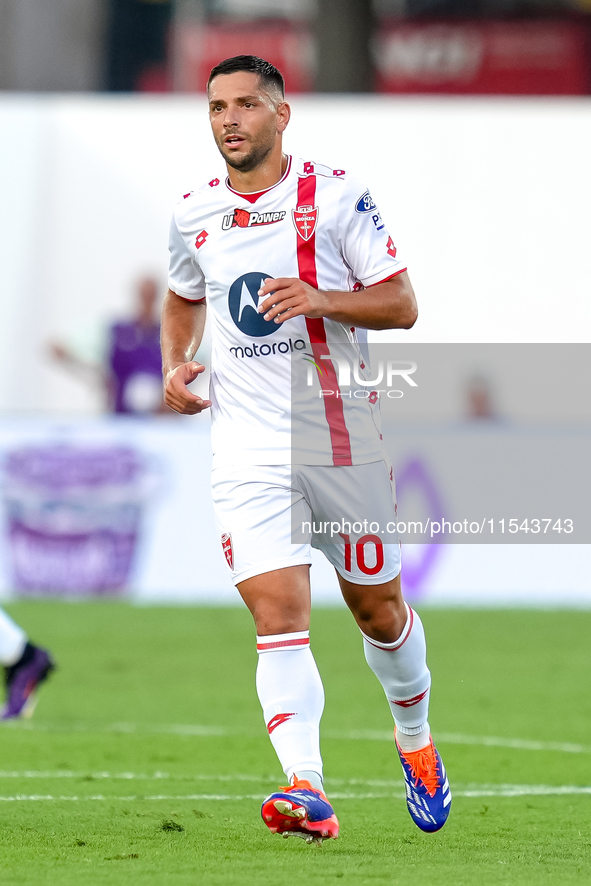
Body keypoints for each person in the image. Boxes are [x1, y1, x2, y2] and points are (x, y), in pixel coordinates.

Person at [161, 55, 451, 842]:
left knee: (378, 612)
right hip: (244, 450)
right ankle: (306, 788)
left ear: (280, 115)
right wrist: (174, 364)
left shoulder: (336, 195)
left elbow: (402, 302)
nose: (229, 119)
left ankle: (416, 743)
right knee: (278, 614)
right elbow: (184, 293)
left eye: (247, 105)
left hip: (336, 436)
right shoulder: (194, 212)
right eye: (218, 106)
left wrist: (322, 298)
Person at [50, 276, 166, 415]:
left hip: (161, 424)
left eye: (150, 295)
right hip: (119, 420)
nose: (146, 300)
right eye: (143, 295)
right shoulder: (115, 331)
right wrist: (100, 378)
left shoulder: (170, 334)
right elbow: (63, 347)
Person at [0, 608, 54, 720]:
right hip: (14, 658)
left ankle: (34, 663)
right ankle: (35, 659)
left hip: (21, 660)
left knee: (13, 713)